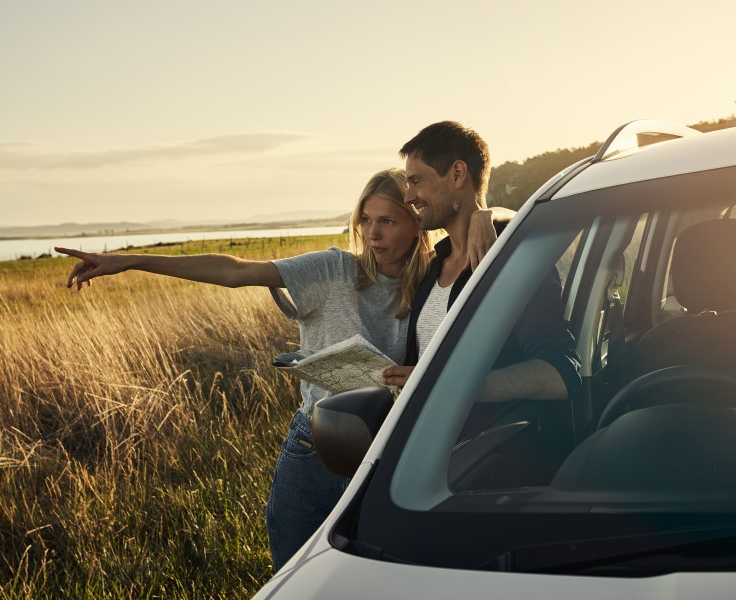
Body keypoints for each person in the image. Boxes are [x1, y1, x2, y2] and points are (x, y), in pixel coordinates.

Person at [56, 167, 499, 571]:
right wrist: (133, 261)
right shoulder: (333, 268)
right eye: (365, 220)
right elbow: (234, 271)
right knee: (295, 576)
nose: (372, 234)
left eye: (387, 221)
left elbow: (501, 226)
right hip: (318, 446)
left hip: (393, 451)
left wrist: (484, 213)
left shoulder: (432, 279)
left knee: (369, 576)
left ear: (416, 224)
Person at [383, 121, 581, 408]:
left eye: (416, 182)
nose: (409, 196)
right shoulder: (429, 270)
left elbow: (560, 373)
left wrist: (450, 386)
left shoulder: (512, 262)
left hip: (486, 448)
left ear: (458, 174)